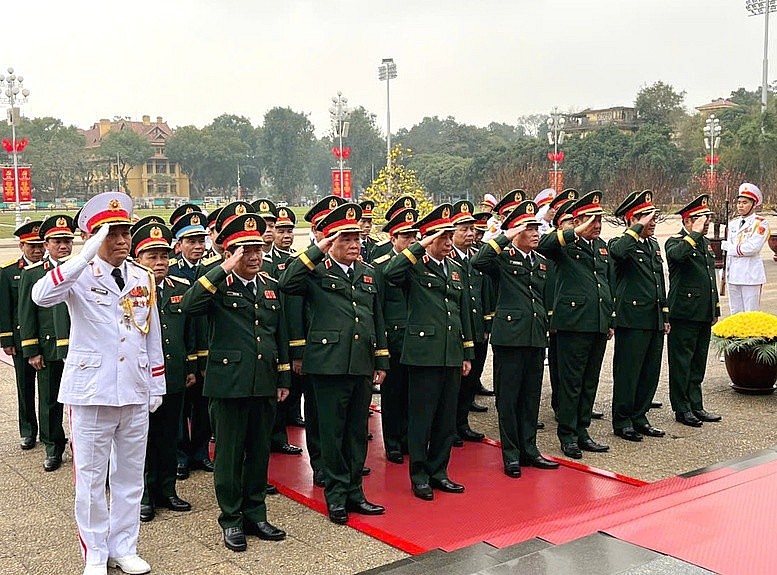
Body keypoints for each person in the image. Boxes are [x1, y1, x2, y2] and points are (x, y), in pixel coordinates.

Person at [32, 192, 164, 575]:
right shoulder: (78, 274)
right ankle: (94, 552)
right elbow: (41, 296)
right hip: (92, 391)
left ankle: (124, 546)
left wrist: (156, 384)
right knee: (90, 480)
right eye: (112, 234)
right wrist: (83, 255)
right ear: (94, 237)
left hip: (134, 389)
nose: (123, 241)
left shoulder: (142, 276)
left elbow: (151, 334)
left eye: (125, 232)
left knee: (129, 476)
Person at [182, 212, 290, 552]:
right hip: (229, 384)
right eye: (245, 250)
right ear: (229, 252)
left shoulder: (270, 286)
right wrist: (225, 267)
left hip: (263, 382)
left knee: (258, 452)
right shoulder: (216, 285)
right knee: (229, 456)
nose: (255, 256)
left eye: (257, 249)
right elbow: (189, 305)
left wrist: (283, 376)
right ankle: (231, 519)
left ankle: (255, 514)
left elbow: (279, 335)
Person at [279, 202, 388, 524]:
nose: (354, 245)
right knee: (332, 433)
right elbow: (286, 283)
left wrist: (381, 359)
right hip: (328, 365)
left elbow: (376, 318)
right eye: (346, 239)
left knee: (356, 433)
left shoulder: (368, 273)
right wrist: (318, 250)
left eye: (357, 238)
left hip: (361, 363)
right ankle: (337, 496)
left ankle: (355, 492)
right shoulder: (315, 271)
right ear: (330, 241)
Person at [383, 204, 475, 501]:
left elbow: (462, 313)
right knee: (422, 418)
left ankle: (439, 471)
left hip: (450, 352)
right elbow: (390, 272)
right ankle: (420, 475)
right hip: (424, 354)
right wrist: (420, 244)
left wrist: (466, 352)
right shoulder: (414, 267)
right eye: (442, 237)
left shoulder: (456, 269)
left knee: (445, 419)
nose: (448, 242)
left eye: (450, 236)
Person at [472, 201, 560, 478]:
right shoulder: (502, 258)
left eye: (536, 228)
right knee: (508, 399)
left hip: (534, 336)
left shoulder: (541, 262)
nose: (535, 233)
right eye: (529, 229)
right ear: (516, 231)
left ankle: (529, 449)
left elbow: (544, 297)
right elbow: (479, 260)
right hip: (509, 338)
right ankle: (511, 454)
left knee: (530, 397)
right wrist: (506, 234)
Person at [537, 191, 614, 460]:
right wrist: (575, 232)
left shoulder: (600, 246)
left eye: (599, 220)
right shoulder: (565, 244)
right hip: (573, 323)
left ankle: (583, 430)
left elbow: (606, 283)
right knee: (571, 383)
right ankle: (568, 435)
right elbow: (543, 245)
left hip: (597, 322)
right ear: (578, 221)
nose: (597, 225)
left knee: (589, 381)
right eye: (592, 220)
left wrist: (609, 319)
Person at [131, 222, 194, 523]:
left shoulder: (179, 288)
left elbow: (190, 333)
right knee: (143, 439)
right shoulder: (130, 291)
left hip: (173, 375)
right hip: (141, 378)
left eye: (164, 256)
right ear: (137, 258)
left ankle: (167, 489)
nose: (160, 262)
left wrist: (190, 367)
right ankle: (144, 495)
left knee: (170, 435)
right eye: (152, 256)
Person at [608, 191, 669, 443]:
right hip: (632, 319)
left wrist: (665, 314)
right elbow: (617, 252)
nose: (652, 222)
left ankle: (640, 416)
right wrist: (635, 228)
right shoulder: (622, 243)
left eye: (653, 217)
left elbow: (658, 281)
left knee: (649, 372)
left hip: (653, 318)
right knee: (628, 372)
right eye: (646, 217)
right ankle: (622, 420)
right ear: (632, 219)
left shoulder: (652, 245)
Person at [18, 215, 75, 471]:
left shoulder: (81, 268)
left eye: (67, 241)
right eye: (57, 241)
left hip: (78, 348)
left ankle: (81, 446)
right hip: (49, 348)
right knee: (50, 401)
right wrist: (32, 350)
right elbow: (27, 314)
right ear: (46, 244)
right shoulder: (33, 274)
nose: (63, 246)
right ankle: (53, 447)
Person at [666, 195, 722, 427]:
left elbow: (710, 278)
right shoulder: (676, 241)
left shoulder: (704, 243)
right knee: (682, 362)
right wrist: (695, 234)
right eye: (700, 218)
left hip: (702, 312)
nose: (706, 222)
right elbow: (677, 256)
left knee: (698, 363)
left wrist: (715, 307)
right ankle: (682, 408)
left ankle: (696, 405)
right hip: (684, 312)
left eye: (707, 218)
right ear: (687, 221)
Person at [371, 207, 420, 464]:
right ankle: (392, 443)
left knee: (414, 395)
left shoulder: (419, 264)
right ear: (393, 238)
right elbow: (377, 308)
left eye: (414, 236)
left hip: (417, 340)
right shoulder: (381, 267)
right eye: (405, 236)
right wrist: (380, 348)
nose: (412, 241)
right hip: (394, 341)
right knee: (393, 396)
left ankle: (409, 439)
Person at [170, 211, 214, 479]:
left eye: (201, 241)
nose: (198, 246)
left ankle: (200, 452)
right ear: (179, 244)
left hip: (208, 349)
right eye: (191, 241)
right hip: (183, 350)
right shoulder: (171, 272)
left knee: (203, 405)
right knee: (179, 407)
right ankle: (180, 456)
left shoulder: (212, 269)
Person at [0, 220, 44, 450]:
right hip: (20, 341)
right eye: (32, 246)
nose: (37, 250)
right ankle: (27, 430)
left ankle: (49, 431)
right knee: (25, 387)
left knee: (49, 391)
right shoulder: (9, 272)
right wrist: (6, 339)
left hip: (46, 339)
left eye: (40, 245)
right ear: (21, 246)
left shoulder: (51, 270)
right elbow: (5, 308)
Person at [449, 200, 489, 444]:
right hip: (457, 330)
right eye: (464, 229)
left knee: (472, 378)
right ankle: (450, 426)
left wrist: (486, 324)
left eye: (472, 229)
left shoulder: (477, 257)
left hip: (476, 327)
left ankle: (463, 422)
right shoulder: (447, 257)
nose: (470, 233)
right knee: (455, 381)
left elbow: (484, 292)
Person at [541, 189, 578, 420]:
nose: (574, 225)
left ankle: (574, 404)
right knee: (558, 363)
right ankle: (559, 403)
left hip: (577, 314)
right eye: (569, 221)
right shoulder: (552, 244)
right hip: (557, 313)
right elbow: (549, 283)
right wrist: (551, 314)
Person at [722, 182, 770, 314]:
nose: (740, 206)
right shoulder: (733, 224)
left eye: (745, 203)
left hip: (750, 275)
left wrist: (729, 247)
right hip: (733, 275)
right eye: (739, 203)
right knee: (735, 313)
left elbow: (752, 248)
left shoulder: (760, 223)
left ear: (753, 205)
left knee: (750, 313)